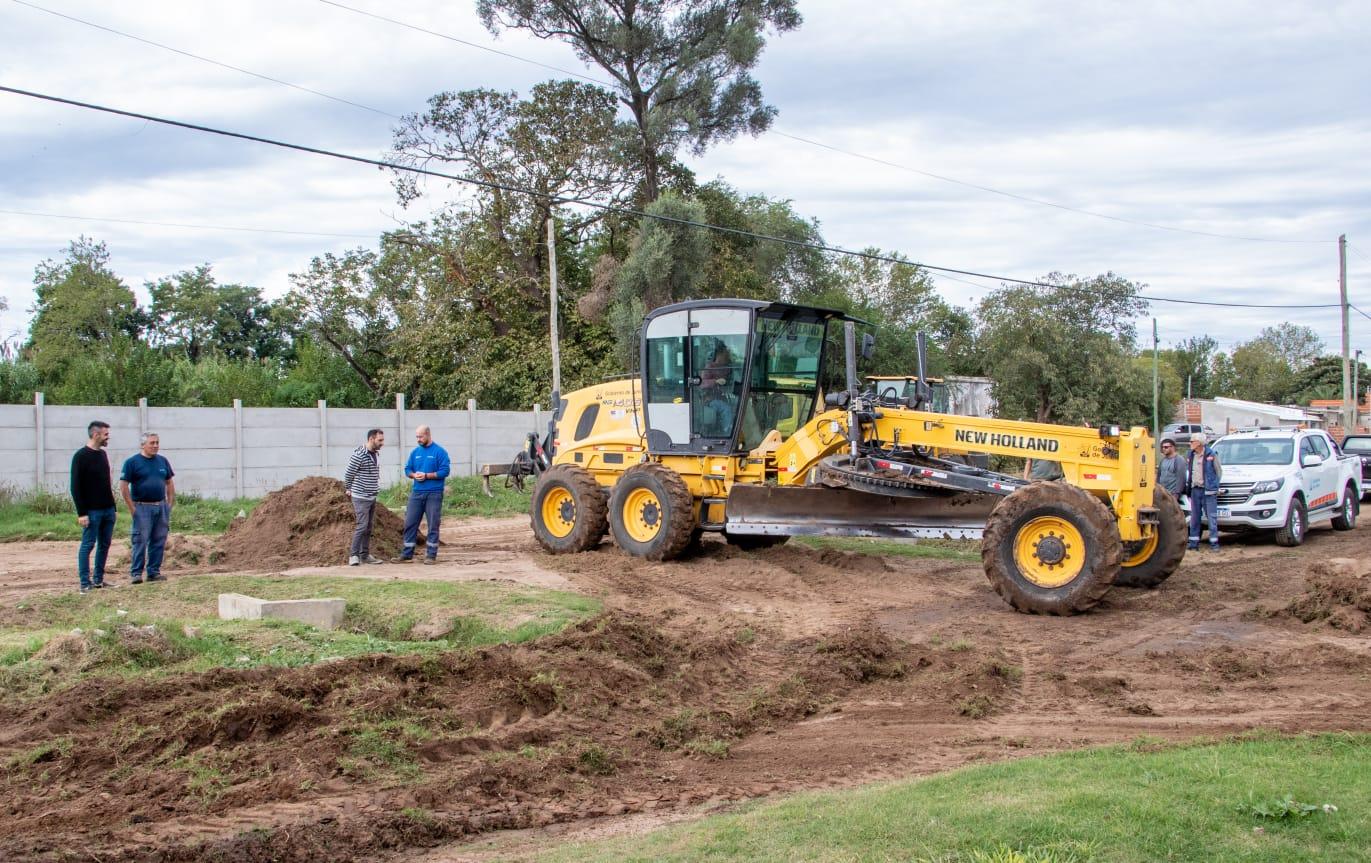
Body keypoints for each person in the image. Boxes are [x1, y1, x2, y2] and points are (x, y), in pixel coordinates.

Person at [119, 432, 175, 584]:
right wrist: (132, 509)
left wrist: (169, 505)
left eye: (157, 442)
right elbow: (124, 486)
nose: (155, 446)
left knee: (159, 540)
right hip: (142, 507)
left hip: (160, 506)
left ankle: (153, 572)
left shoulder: (163, 461)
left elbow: (169, 483)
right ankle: (136, 573)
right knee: (140, 541)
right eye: (152, 443)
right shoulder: (132, 462)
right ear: (143, 444)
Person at [70, 420, 116, 594]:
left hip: (107, 509)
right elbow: (75, 487)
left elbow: (106, 483)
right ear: (96, 434)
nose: (108, 437)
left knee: (105, 544)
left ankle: (98, 580)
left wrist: (113, 507)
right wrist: (82, 513)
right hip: (92, 511)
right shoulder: (81, 456)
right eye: (105, 434)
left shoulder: (103, 455)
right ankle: (84, 583)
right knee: (88, 545)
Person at [397, 425, 450, 564]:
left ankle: (431, 555)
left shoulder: (440, 452)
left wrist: (427, 475)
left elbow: (445, 471)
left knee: (433, 524)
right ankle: (407, 553)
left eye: (420, 436)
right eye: (417, 437)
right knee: (410, 522)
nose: (418, 439)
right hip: (417, 493)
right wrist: (414, 475)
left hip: (434, 493)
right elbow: (407, 469)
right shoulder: (415, 453)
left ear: (428, 435)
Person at [344, 428, 386, 566]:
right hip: (360, 496)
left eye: (382, 440)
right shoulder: (359, 454)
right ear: (371, 439)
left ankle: (365, 555)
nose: (382, 443)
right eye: (380, 440)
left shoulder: (376, 454)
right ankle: (353, 556)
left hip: (372, 496)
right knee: (362, 526)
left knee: (368, 527)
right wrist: (348, 488)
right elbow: (349, 473)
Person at [1186, 432, 1223, 551]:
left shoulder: (1211, 454)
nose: (1190, 443)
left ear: (1199, 443)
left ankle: (1214, 544)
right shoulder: (1191, 455)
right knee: (1194, 518)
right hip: (1195, 490)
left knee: (1211, 518)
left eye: (1192, 441)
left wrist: (1213, 486)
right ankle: (1193, 544)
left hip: (1208, 491)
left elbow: (1218, 472)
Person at [699, 342, 737, 435]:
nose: (728, 357)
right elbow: (701, 383)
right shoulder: (710, 367)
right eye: (726, 354)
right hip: (709, 400)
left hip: (723, 397)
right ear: (719, 354)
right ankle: (727, 434)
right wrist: (715, 381)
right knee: (726, 409)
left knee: (738, 405)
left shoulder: (727, 368)